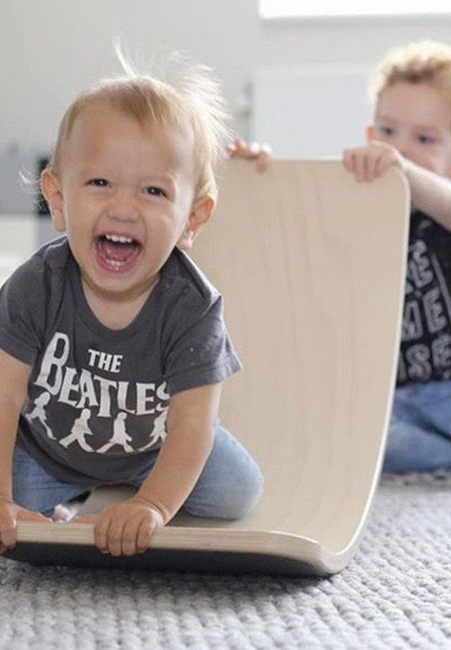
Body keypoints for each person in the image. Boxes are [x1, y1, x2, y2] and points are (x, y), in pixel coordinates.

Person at [237, 40, 451, 479]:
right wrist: (259, 171)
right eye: (388, 132)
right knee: (358, 450)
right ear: (370, 137)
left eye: (424, 139)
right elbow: (301, 198)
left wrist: (402, 171)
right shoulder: (355, 205)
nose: (400, 148)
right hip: (386, 395)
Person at [0, 54, 263, 558]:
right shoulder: (35, 287)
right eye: (99, 183)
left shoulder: (193, 308)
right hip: (49, 451)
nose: (123, 207)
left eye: (154, 191)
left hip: (152, 448)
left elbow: (191, 422)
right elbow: (5, 397)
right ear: (58, 198)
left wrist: (154, 506)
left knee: (238, 491)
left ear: (192, 218)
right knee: (20, 504)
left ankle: (132, 489)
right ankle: (80, 492)